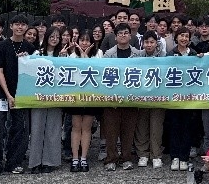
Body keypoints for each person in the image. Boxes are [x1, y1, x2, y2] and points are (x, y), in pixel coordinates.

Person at [0, 14, 35, 176]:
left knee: (22, 128)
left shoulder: (30, 48)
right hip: (0, 92)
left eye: (23, 24)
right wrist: (8, 94)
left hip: (22, 94)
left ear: (26, 27)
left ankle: (14, 162)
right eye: (17, 24)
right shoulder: (1, 46)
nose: (20, 27)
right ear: (11, 26)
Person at [102, 23, 142, 170]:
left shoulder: (138, 54)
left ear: (130, 36)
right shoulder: (108, 54)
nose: (123, 36)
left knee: (128, 130)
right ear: (115, 37)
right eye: (120, 33)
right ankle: (111, 159)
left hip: (131, 98)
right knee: (111, 131)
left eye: (126, 33)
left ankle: (126, 158)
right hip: (112, 98)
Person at [28, 27, 63, 173]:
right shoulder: (37, 53)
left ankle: (50, 161)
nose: (54, 39)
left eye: (57, 37)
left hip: (56, 97)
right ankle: (35, 162)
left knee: (53, 129)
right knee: (36, 128)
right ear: (47, 37)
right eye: (52, 36)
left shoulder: (63, 55)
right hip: (39, 97)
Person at [134, 31, 166, 169]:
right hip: (141, 97)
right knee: (141, 126)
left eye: (152, 42)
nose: (149, 45)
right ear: (142, 43)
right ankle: (142, 154)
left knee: (156, 127)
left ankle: (156, 155)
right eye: (146, 42)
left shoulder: (164, 57)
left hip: (158, 97)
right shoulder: (137, 56)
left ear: (156, 43)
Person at [168, 27, 198, 170]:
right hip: (174, 97)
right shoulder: (170, 54)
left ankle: (184, 157)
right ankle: (174, 157)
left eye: (186, 36)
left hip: (189, 97)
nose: (184, 38)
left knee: (187, 128)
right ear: (176, 37)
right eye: (181, 35)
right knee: (174, 127)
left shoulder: (194, 54)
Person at [69, 33, 99, 172]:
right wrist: (81, 57)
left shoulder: (98, 54)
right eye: (82, 40)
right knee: (76, 127)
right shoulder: (72, 56)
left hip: (92, 95)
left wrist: (86, 57)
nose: (85, 43)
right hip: (75, 95)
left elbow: (99, 72)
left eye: (87, 40)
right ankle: (75, 158)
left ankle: (84, 158)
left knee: (86, 128)